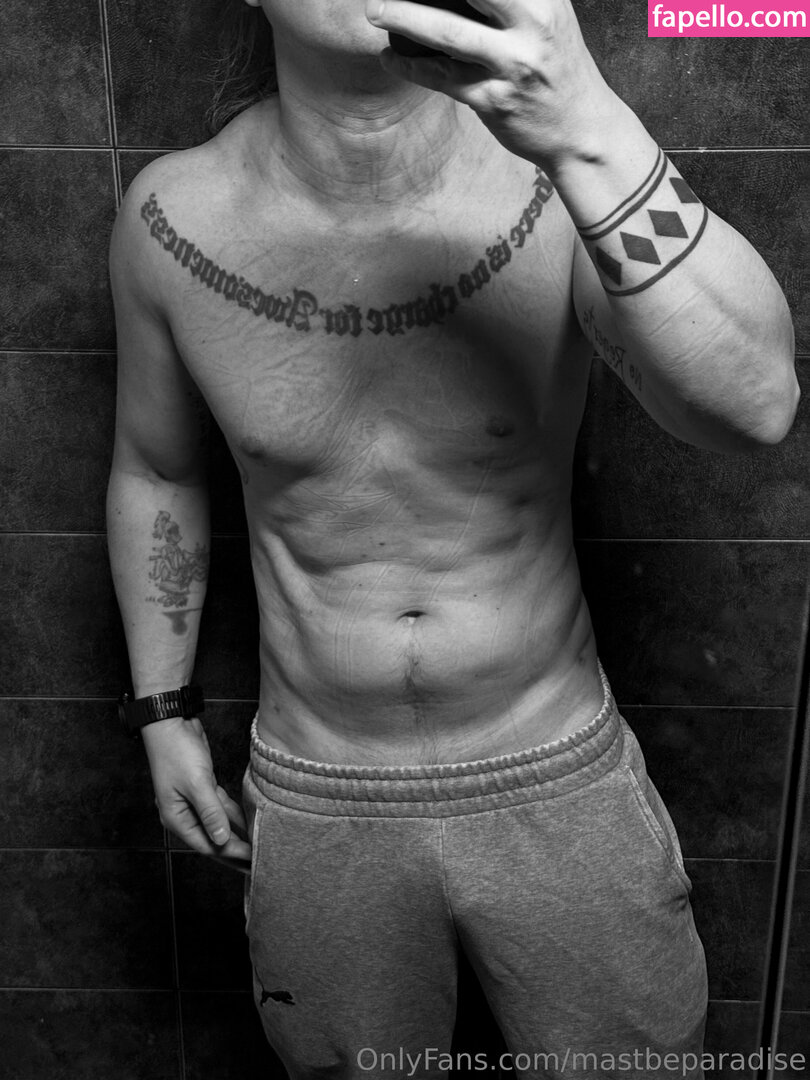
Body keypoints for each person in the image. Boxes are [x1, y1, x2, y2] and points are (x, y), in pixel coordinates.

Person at [106, 0, 799, 1075]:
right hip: (320, 790)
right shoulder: (171, 218)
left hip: (551, 763)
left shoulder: (555, 183)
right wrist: (163, 710)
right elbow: (156, 468)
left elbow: (755, 404)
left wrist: (588, 123)